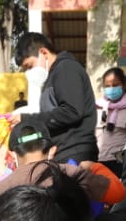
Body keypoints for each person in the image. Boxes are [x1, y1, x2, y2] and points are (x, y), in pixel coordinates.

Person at [9, 32, 98, 163]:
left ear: (43, 53)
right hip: (62, 151)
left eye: (30, 66)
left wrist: (27, 119)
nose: (29, 72)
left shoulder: (66, 68)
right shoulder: (51, 77)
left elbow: (71, 111)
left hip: (75, 152)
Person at [0, 117, 124, 205]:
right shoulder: (70, 173)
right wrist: (95, 167)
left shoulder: (2, 189)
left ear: (11, 154)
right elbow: (118, 194)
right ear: (52, 150)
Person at [96, 67, 126, 176]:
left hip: (120, 163)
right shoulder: (97, 107)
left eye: (115, 85)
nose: (111, 89)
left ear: (124, 85)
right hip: (97, 161)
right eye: (107, 86)